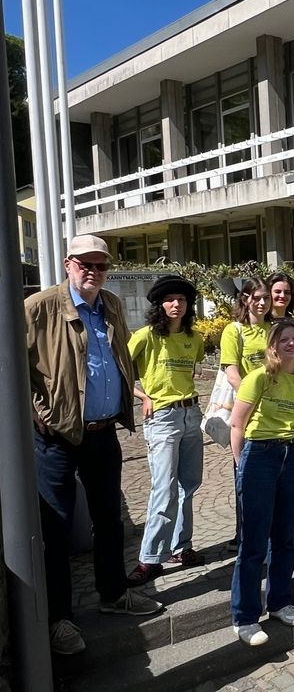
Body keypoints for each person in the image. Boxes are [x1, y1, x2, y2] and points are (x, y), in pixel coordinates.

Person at [26, 234, 163, 655]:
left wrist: (133, 396)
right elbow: (12, 364)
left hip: (103, 433)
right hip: (59, 437)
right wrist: (39, 416)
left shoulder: (113, 306)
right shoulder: (40, 307)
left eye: (101, 265)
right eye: (85, 263)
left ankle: (113, 594)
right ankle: (58, 618)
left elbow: (116, 359)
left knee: (109, 521)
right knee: (56, 528)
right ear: (68, 263)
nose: (93, 271)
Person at [228, 319, 294, 646]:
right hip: (260, 456)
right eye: (285, 339)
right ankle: (245, 616)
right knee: (253, 542)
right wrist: (242, 469)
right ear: (273, 345)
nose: (292, 344)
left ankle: (279, 601)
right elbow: (237, 425)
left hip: (292, 456)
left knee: (285, 537)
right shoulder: (260, 377)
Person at [126, 275, 207, 586]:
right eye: (171, 299)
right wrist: (143, 396)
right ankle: (149, 558)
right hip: (163, 419)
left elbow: (192, 371)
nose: (177, 304)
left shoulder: (194, 338)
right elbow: (120, 371)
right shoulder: (146, 336)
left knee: (190, 484)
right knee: (164, 488)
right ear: (160, 304)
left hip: (191, 414)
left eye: (183, 300)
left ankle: (181, 548)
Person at [219, 278, 272, 551]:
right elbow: (231, 372)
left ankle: (267, 537)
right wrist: (252, 399)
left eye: (266, 297)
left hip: (273, 413)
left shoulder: (273, 329)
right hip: (248, 411)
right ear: (245, 299)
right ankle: (246, 538)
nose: (262, 303)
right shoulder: (234, 330)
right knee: (246, 475)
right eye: (256, 297)